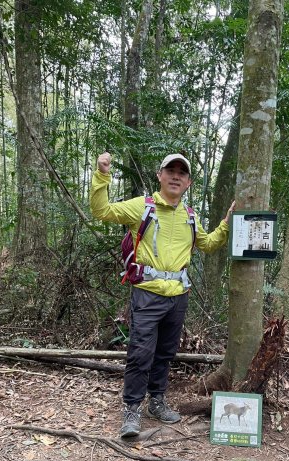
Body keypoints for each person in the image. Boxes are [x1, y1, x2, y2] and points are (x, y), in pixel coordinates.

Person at [90, 152, 234, 437]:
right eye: (171, 170)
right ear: (160, 175)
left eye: (182, 172)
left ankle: (156, 401)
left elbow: (207, 244)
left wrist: (227, 222)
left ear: (189, 182)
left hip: (178, 297)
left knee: (165, 353)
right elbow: (102, 210)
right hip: (146, 294)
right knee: (140, 353)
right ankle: (131, 410)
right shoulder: (142, 208)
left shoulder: (190, 217)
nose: (176, 176)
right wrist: (102, 174)